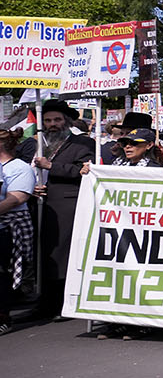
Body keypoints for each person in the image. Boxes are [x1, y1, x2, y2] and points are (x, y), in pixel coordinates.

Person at [34, 99, 96, 318]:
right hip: (41, 204)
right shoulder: (36, 144)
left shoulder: (83, 144)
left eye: (57, 120)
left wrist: (51, 166)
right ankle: (43, 300)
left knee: (62, 254)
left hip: (67, 204)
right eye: (48, 120)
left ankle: (62, 303)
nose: (52, 124)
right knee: (42, 253)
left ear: (66, 122)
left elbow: (85, 171)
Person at [0, 129, 37, 336]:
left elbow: (16, 198)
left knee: (1, 273)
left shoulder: (20, 168)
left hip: (8, 226)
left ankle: (3, 317)